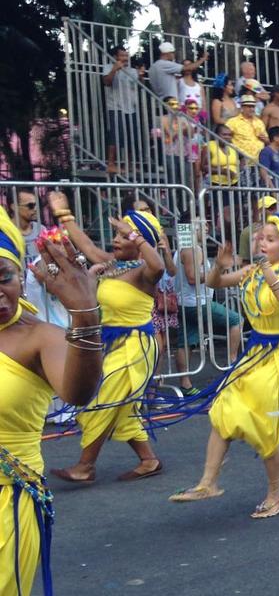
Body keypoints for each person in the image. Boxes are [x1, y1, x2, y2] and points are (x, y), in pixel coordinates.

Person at [167, 212, 279, 520]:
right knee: (224, 409)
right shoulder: (252, 270)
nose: (262, 241)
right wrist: (220, 265)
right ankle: (208, 483)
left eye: (271, 240)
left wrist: (263, 268)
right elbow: (212, 283)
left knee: (263, 424)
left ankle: (276, 492)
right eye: (261, 237)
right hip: (255, 352)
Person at [0, 206, 104, 596]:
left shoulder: (39, 338)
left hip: (6, 504)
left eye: (4, 276)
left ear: (20, 278)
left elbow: (78, 393)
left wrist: (84, 317)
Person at [48, 192, 166, 483]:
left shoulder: (144, 273)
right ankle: (149, 460)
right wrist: (64, 214)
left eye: (123, 237)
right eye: (116, 234)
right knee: (121, 409)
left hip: (136, 347)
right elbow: (85, 244)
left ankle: (85, 466)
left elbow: (160, 266)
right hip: (115, 345)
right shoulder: (111, 264)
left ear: (140, 242)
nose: (117, 239)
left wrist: (135, 236)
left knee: (103, 400)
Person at [174, 220, 243, 397]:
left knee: (186, 341)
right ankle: (231, 365)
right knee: (235, 319)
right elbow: (192, 278)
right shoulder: (192, 250)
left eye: (206, 224)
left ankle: (185, 384)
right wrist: (218, 270)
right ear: (189, 228)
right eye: (200, 224)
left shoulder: (187, 248)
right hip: (197, 303)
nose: (205, 227)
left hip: (187, 303)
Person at [103, 46, 143, 174]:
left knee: (132, 136)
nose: (125, 58)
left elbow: (140, 86)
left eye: (126, 56)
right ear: (115, 57)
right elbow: (107, 82)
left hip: (131, 107)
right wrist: (115, 69)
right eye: (122, 56)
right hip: (115, 107)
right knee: (115, 135)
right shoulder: (108, 67)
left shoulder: (131, 71)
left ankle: (130, 164)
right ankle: (111, 164)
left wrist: (141, 75)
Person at [225, 94, 268, 161]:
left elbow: (267, 141)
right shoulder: (232, 122)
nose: (252, 109)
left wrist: (266, 140)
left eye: (253, 106)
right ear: (242, 107)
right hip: (241, 161)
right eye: (249, 106)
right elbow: (225, 137)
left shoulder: (259, 122)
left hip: (259, 161)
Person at [13, 189, 43, 265]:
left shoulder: (42, 230)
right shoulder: (5, 233)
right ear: (14, 207)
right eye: (30, 206)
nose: (35, 209)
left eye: (36, 205)